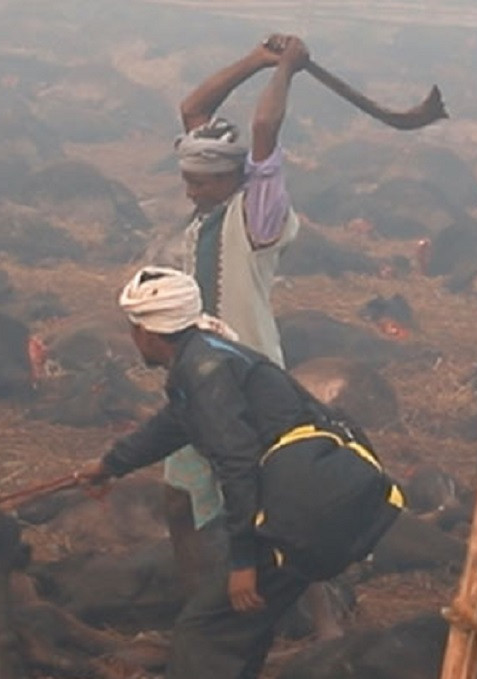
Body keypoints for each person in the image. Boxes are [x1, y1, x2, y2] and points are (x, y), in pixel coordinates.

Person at [78, 267, 404, 679]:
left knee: (203, 631)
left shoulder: (204, 372)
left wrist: (244, 563)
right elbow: (176, 422)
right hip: (319, 495)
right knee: (240, 628)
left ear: (146, 332)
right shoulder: (207, 353)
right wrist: (111, 465)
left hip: (300, 509)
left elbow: (238, 466)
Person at [158, 34, 308, 597]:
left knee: (274, 507)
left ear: (234, 178)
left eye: (200, 182)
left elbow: (265, 132)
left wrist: (286, 71)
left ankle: (319, 615)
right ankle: (205, 599)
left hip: (248, 380)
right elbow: (194, 110)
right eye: (187, 180)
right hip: (200, 377)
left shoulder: (258, 216)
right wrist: (256, 59)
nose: (191, 191)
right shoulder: (214, 203)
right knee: (180, 499)